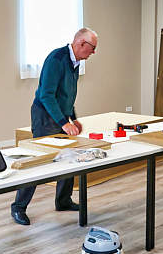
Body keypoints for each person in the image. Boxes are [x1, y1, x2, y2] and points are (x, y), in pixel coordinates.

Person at [11, 28, 99, 225]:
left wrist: (73, 118)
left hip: (60, 115)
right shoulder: (56, 59)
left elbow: (67, 95)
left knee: (68, 156)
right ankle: (18, 207)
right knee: (39, 162)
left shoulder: (75, 62)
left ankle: (63, 201)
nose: (93, 52)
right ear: (81, 43)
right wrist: (64, 123)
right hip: (44, 116)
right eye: (92, 48)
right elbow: (47, 95)